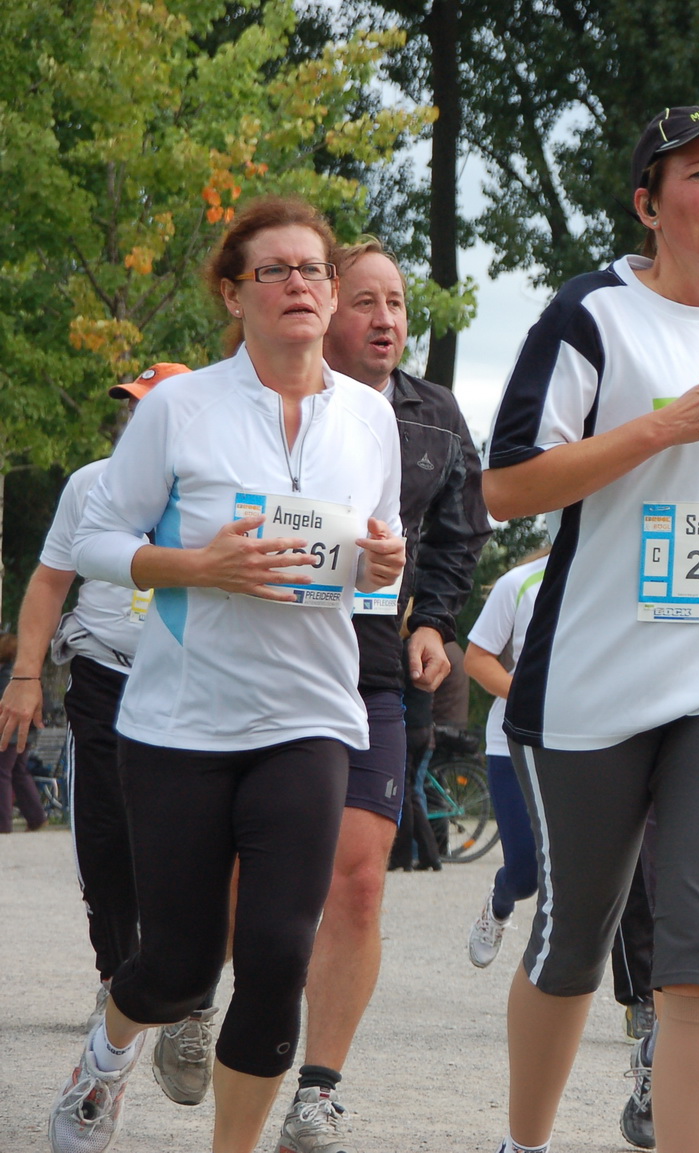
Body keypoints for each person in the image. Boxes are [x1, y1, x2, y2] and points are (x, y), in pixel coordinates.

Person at [481, 105, 699, 1153]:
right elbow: (506, 487)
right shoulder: (592, 316)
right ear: (648, 203)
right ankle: (524, 1143)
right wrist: (658, 427)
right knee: (573, 943)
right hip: (595, 674)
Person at [56, 195, 406, 1153]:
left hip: (311, 717)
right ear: (232, 292)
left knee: (277, 956)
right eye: (275, 271)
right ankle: (104, 1060)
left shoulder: (372, 418)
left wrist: (385, 563)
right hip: (180, 722)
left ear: (333, 295)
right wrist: (198, 565)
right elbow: (95, 537)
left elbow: (383, 550)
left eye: (314, 270)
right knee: (174, 965)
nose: (300, 284)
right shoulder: (180, 407)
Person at [277, 237, 492, 1151]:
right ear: (325, 311)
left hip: (372, 665)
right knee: (251, 879)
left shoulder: (436, 416)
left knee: (359, 884)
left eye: (398, 303)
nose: (387, 319)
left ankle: (317, 1087)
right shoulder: (267, 399)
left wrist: (433, 623)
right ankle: (189, 994)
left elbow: (458, 533)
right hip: (262, 661)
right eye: (366, 301)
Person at [0, 364, 224, 1102]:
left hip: (197, 682)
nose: (135, 419)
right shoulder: (91, 483)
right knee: (102, 836)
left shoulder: (222, 487)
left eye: (151, 407)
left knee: (193, 844)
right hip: (103, 677)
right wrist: (27, 675)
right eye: (129, 406)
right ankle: (116, 981)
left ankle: (191, 1000)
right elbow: (49, 582)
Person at [463, 548, 549, 968]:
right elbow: (476, 659)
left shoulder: (620, 580)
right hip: (514, 739)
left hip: (588, 742)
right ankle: (499, 904)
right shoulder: (521, 582)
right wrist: (535, 698)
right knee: (526, 873)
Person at [0, 632, 48, 832]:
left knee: (2, 773)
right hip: (26, 730)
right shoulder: (25, 674)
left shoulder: (6, 676)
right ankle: (36, 817)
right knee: (19, 772)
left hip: (9, 730)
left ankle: (3, 823)